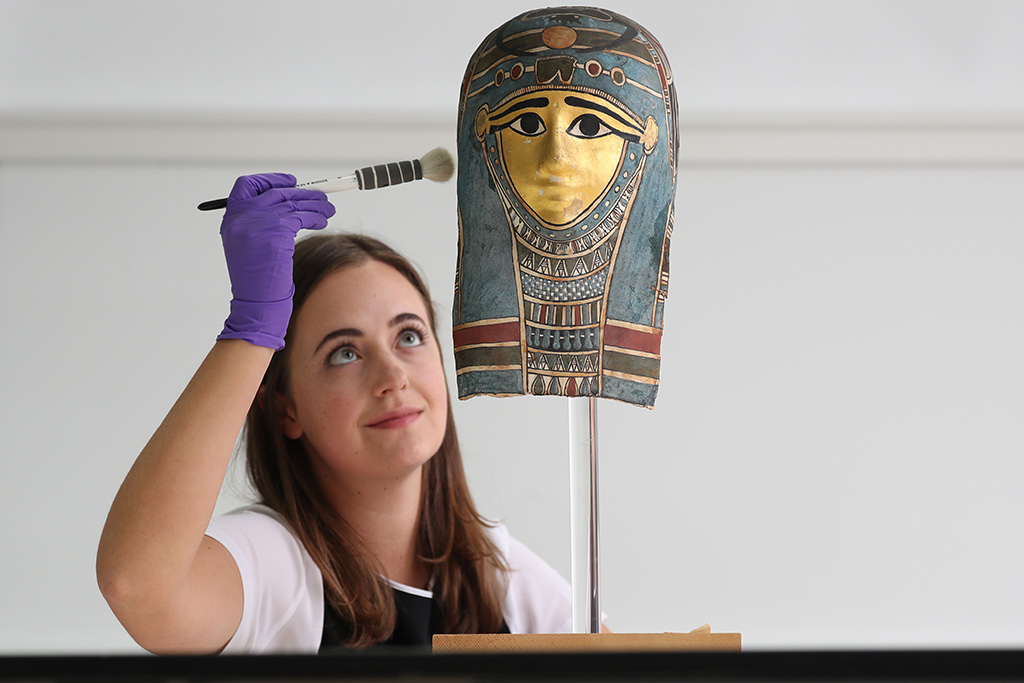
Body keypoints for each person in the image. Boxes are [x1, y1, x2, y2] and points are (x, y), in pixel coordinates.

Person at [96, 174, 576, 654]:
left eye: (408, 336)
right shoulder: (272, 566)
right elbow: (138, 586)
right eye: (344, 353)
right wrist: (251, 330)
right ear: (285, 409)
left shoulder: (501, 576)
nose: (393, 376)